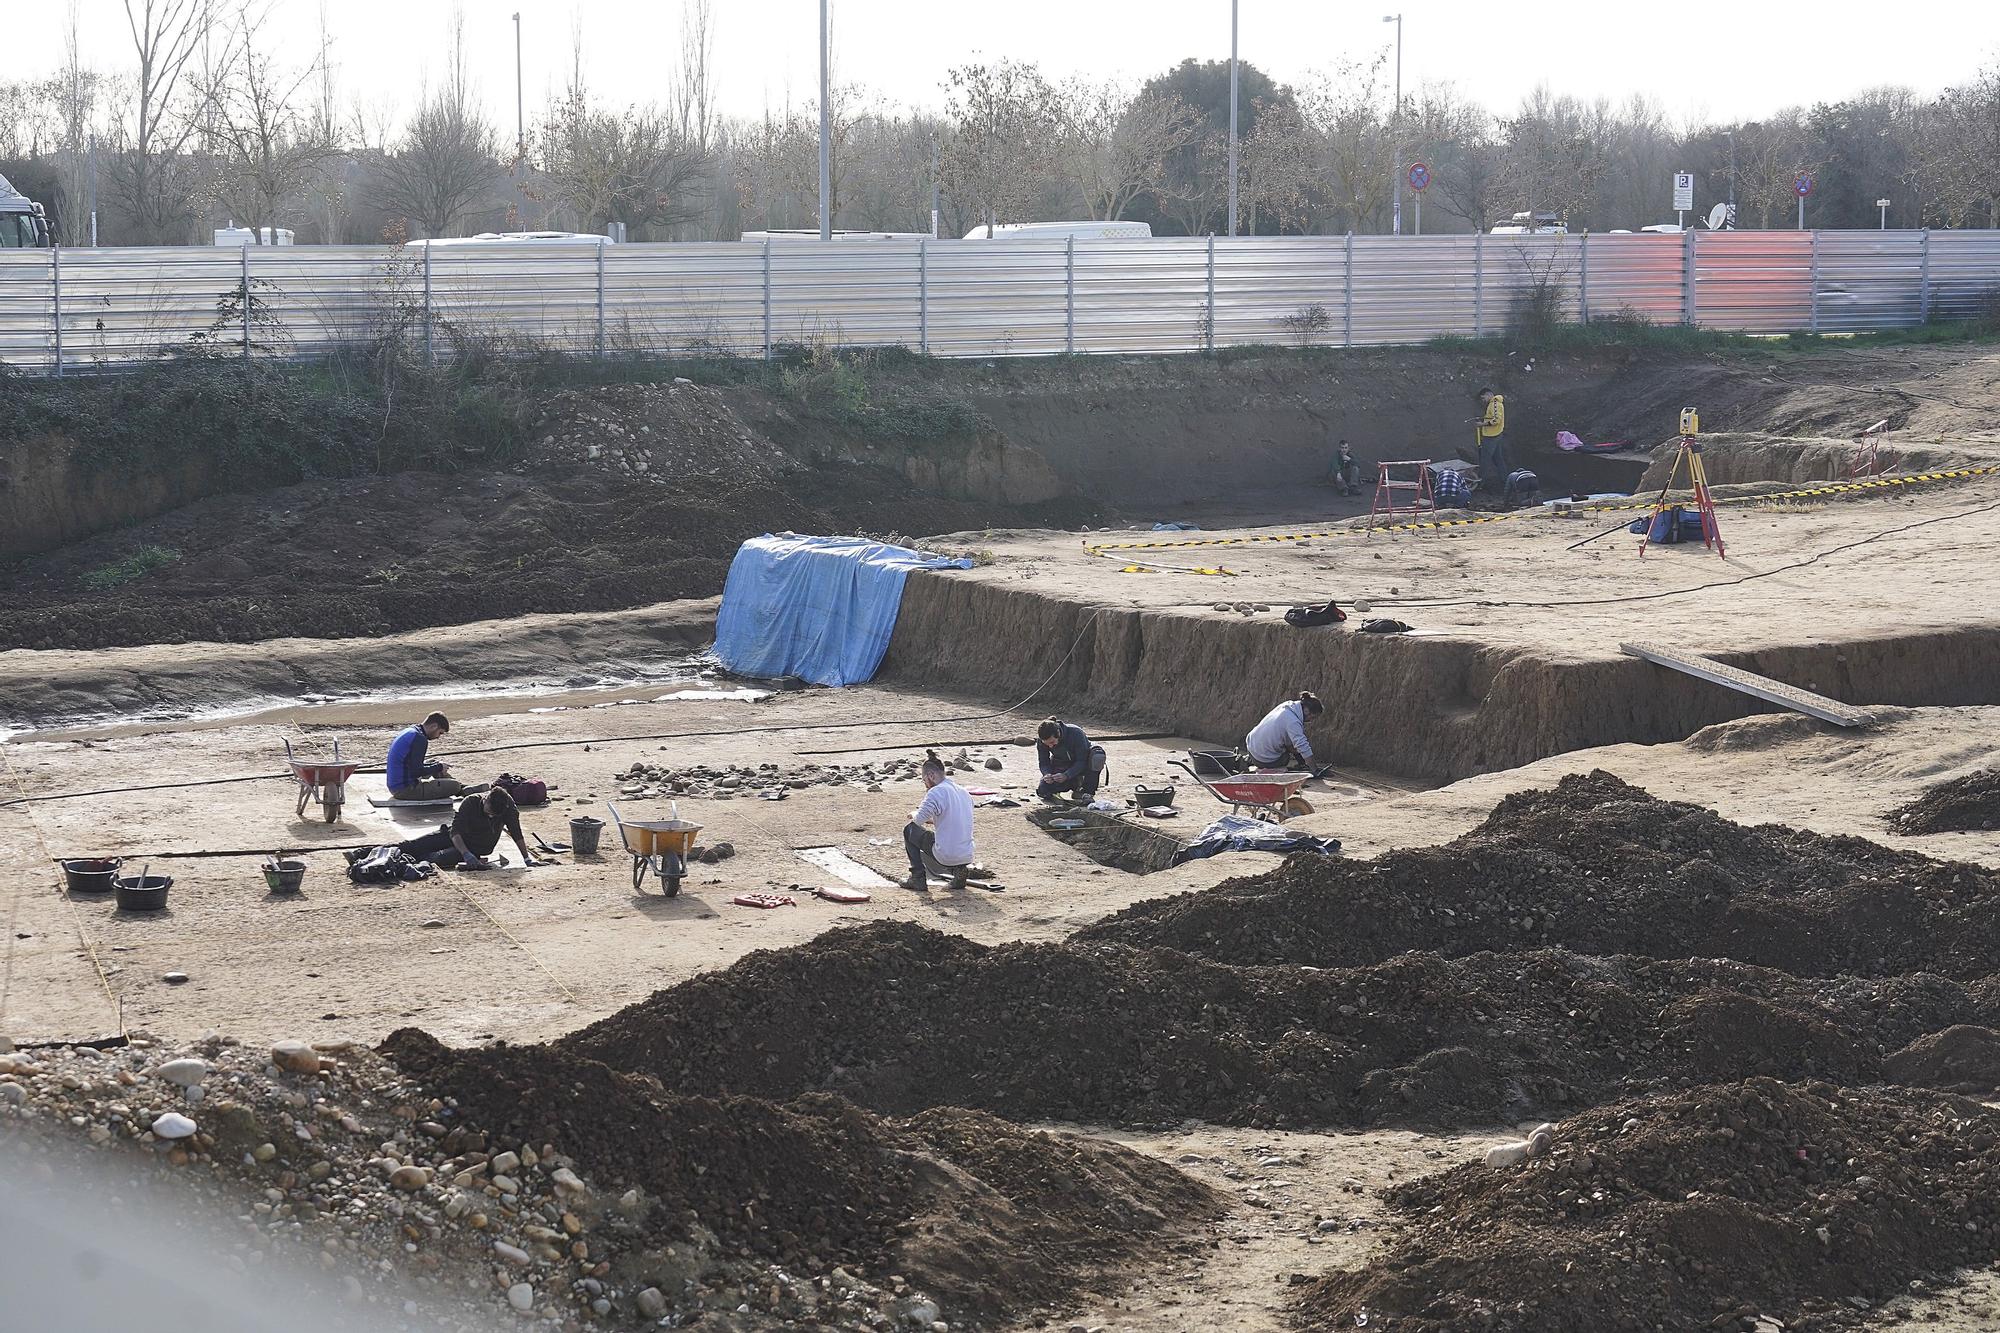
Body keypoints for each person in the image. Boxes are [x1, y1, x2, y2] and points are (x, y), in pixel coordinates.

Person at [399, 787, 545, 871]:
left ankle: (403, 862)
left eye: (494, 815)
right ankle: (379, 851)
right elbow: (455, 831)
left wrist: (527, 858)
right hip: (458, 838)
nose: (490, 816)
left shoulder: (509, 808)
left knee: (436, 858)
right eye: (488, 812)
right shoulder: (470, 802)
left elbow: (516, 832)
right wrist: (465, 853)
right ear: (485, 799)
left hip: (476, 847)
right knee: (412, 846)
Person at [903, 750, 974, 891]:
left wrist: (914, 813)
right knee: (945, 836)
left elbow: (918, 821)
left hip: (946, 855)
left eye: (924, 780)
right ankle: (959, 870)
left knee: (909, 830)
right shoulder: (963, 791)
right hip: (967, 854)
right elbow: (950, 819)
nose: (925, 784)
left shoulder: (935, 792)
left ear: (931, 775)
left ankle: (917, 878)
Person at [386, 712, 468, 801]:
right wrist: (439, 767)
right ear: (434, 726)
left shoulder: (412, 730)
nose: (438, 737)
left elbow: (415, 766)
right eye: (440, 733)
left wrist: (437, 766)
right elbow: (416, 771)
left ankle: (462, 788)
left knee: (433, 763)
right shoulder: (420, 738)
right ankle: (461, 788)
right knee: (454, 786)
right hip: (405, 790)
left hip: (396, 785)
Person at [1245, 692, 1324, 771]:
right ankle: (1272, 767)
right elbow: (1302, 746)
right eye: (1313, 717)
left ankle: (1303, 764)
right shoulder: (1293, 721)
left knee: (1290, 744)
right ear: (1307, 711)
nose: (1311, 721)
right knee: (1286, 757)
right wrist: (1315, 769)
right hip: (1262, 759)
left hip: (1251, 747)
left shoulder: (1288, 706)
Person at [1036, 717, 1107, 802]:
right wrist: (1047, 774)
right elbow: (1043, 762)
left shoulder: (1075, 733)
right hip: (1063, 763)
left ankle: (1087, 792)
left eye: (1052, 742)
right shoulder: (1041, 741)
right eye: (1047, 744)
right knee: (1043, 790)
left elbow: (1081, 761)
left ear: (1058, 733)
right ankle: (1077, 784)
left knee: (1097, 757)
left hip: (1084, 764)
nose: (1050, 746)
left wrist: (1067, 775)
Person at [1475, 388, 1510, 491]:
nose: (1483, 400)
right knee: (1498, 460)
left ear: (1488, 394)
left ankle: (1480, 483)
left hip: (1491, 437)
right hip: (1496, 435)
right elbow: (1492, 417)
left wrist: (1482, 424)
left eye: (1483, 398)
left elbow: (1496, 420)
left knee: (1484, 460)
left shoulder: (1495, 403)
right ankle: (1506, 482)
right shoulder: (1493, 404)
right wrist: (1483, 419)